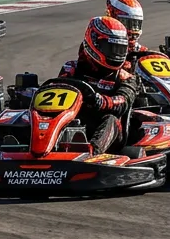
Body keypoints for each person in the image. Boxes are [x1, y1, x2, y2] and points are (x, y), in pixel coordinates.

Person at [56, 17, 138, 154]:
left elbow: (124, 100)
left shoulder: (125, 77)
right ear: (93, 42)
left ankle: (92, 153)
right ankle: (33, 146)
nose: (116, 54)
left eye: (119, 49)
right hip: (74, 120)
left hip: (109, 132)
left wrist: (102, 101)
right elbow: (57, 92)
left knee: (110, 119)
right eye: (111, 48)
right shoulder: (71, 68)